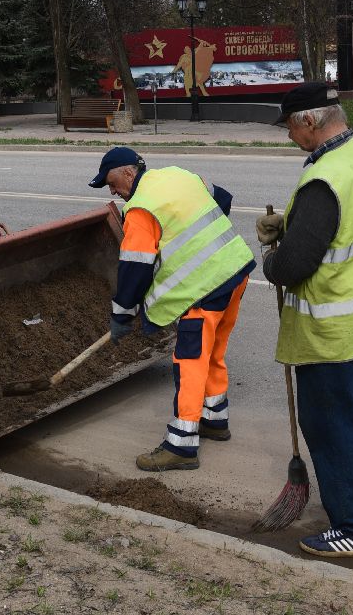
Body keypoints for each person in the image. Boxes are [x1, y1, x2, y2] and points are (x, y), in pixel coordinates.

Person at [258, 82, 353, 559]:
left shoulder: (322, 180)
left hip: (335, 332)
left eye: (288, 126)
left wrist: (272, 253)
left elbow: (292, 266)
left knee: (333, 425)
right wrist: (295, 225)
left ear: (309, 121)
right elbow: (352, 221)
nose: (287, 137)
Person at [89, 146, 256, 472]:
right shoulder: (178, 175)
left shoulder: (140, 209)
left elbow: (134, 268)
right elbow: (222, 199)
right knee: (213, 352)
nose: (111, 191)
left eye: (110, 182)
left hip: (203, 291)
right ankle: (215, 419)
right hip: (235, 273)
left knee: (190, 362)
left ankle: (181, 445)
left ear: (127, 172)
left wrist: (121, 314)